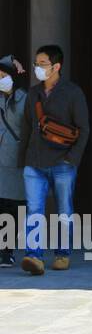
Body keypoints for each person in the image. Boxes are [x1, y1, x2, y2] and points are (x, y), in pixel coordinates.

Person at [18, 45, 90, 275]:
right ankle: (34, 256)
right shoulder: (33, 93)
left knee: (64, 212)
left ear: (56, 66)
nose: (37, 68)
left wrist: (72, 160)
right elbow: (27, 127)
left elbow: (84, 129)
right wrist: (25, 159)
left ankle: (62, 254)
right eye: (36, 64)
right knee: (34, 210)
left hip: (63, 164)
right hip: (34, 162)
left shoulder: (72, 92)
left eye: (42, 64)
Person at [0, 55, 27, 268]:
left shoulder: (25, 100)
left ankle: (10, 250)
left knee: (17, 208)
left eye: (4, 75)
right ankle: (4, 251)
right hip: (1, 162)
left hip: (18, 162)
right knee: (2, 207)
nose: (1, 79)